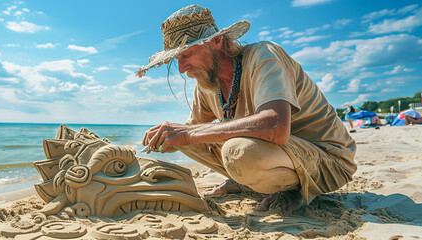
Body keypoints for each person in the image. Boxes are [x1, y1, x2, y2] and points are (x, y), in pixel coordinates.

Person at [136, 5, 356, 212]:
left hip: (327, 160)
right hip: (278, 157)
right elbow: (191, 134)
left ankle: (292, 189)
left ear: (216, 41)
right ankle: (247, 181)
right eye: (177, 59)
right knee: (180, 136)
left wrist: (189, 133)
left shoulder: (264, 55)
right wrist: (149, 148)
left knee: (236, 151)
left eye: (186, 54)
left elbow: (276, 126)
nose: (182, 69)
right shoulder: (207, 83)